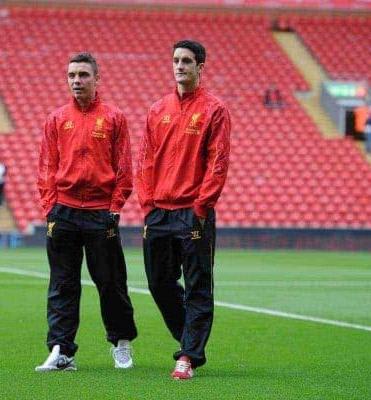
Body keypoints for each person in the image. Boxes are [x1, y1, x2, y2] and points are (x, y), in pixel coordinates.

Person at [35, 52, 137, 372]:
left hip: (99, 213)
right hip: (63, 212)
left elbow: (124, 167)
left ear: (96, 79)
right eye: (72, 76)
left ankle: (121, 342)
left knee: (110, 283)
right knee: (62, 284)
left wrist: (114, 206)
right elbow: (47, 167)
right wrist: (49, 207)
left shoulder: (113, 118)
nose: (76, 81)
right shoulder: (56, 119)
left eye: (83, 75)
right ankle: (61, 351)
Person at [136, 40, 231, 380]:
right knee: (159, 282)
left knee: (197, 286)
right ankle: (191, 338)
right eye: (175, 60)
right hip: (159, 211)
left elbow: (218, 163)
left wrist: (202, 207)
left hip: (193, 211)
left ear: (200, 66)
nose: (180, 66)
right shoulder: (157, 110)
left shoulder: (214, 110)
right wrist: (147, 204)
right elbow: (145, 160)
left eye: (187, 61)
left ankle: (187, 356)